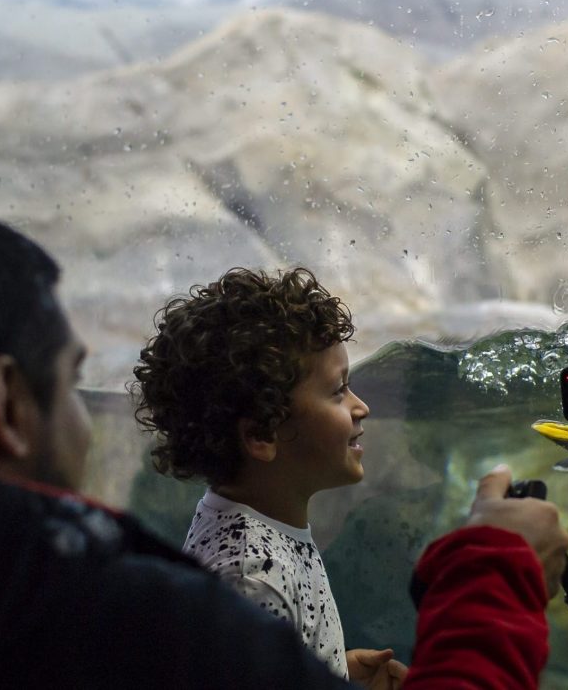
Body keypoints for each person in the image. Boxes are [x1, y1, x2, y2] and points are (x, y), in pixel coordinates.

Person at [0, 209, 568, 689]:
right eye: (74, 381)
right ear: (7, 405)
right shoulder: (212, 590)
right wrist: (492, 567)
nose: (361, 408)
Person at [130, 267, 402, 684]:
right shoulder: (251, 578)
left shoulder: (255, 534)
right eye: (337, 391)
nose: (360, 405)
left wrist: (335, 673)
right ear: (260, 433)